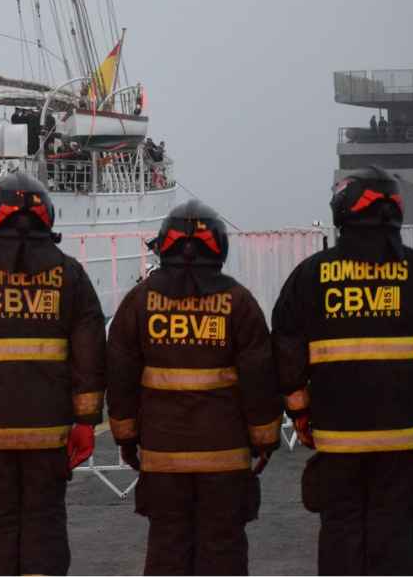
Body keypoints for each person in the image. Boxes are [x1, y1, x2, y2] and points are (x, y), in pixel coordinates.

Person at [0, 172, 106, 575]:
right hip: (50, 436)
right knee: (44, 524)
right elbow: (91, 354)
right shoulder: (71, 276)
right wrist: (85, 422)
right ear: (48, 217)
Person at [107, 200, 282, 575]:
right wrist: (265, 441)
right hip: (227, 458)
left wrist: (125, 438)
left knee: (167, 548)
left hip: (162, 456)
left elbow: (120, 376)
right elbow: (260, 378)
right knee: (223, 551)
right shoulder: (239, 303)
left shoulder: (139, 302)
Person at [272, 166, 413, 575]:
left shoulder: (311, 275)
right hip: (404, 441)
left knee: (340, 531)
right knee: (395, 533)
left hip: (336, 439)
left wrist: (299, 412)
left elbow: (285, 348)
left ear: (341, 210)